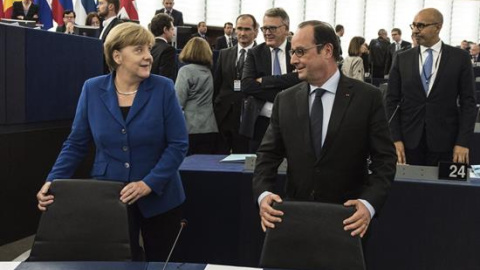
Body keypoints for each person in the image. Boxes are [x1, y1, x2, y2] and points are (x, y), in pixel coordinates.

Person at [36, 23, 189, 262]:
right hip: (109, 197)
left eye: (148, 49)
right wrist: (52, 181)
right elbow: (76, 143)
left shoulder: (163, 88)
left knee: (163, 264)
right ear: (117, 56)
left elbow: (178, 145)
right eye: (139, 50)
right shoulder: (92, 89)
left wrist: (148, 183)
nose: (148, 56)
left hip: (161, 197)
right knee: (114, 264)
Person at [253, 20, 396, 241]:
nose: (293, 60)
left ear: (327, 50)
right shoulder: (285, 99)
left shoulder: (367, 97)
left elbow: (384, 160)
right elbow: (267, 155)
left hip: (348, 222)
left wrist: (368, 205)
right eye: (292, 52)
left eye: (300, 51)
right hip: (295, 221)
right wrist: (263, 195)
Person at [386, 8, 477, 166]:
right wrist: (395, 139)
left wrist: (463, 142)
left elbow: (468, 103)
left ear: (438, 27)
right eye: (413, 25)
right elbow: (390, 102)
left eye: (420, 25)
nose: (415, 30)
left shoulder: (460, 58)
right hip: (408, 143)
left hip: (446, 143)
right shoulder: (401, 59)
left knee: (441, 191)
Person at [240, 7, 301, 153]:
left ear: (286, 29)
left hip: (295, 122)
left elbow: (301, 78)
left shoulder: (298, 50)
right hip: (262, 123)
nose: (267, 33)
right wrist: (284, 92)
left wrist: (266, 81)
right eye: (264, 28)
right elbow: (246, 85)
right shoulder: (255, 53)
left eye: (272, 28)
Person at [214, 14, 258, 154]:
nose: (242, 33)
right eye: (239, 28)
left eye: (247, 29)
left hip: (248, 118)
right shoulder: (224, 53)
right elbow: (217, 84)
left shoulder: (263, 55)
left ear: (255, 31)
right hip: (224, 115)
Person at [175, 37, 218, 154]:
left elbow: (178, 101)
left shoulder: (185, 71)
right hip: (210, 126)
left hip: (190, 128)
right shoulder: (209, 71)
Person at [150, 13, 177, 81]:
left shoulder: (147, 47)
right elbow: (167, 78)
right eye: (172, 29)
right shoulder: (169, 50)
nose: (173, 34)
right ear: (165, 29)